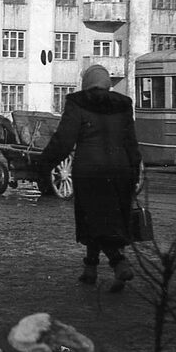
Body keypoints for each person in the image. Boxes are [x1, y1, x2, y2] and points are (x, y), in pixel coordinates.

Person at [39, 64, 142, 291]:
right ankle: (90, 269)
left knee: (94, 221)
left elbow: (64, 140)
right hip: (121, 170)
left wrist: (45, 161)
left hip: (90, 172)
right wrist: (135, 170)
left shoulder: (78, 103)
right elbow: (131, 142)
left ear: (86, 83)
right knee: (113, 220)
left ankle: (118, 263)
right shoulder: (123, 105)